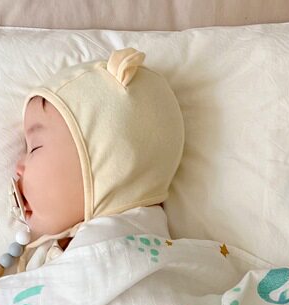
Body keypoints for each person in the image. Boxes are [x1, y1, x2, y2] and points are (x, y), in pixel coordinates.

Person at [12, 47, 184, 270]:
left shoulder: (122, 250)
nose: (18, 166)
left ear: (109, 163)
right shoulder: (55, 253)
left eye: (34, 147)